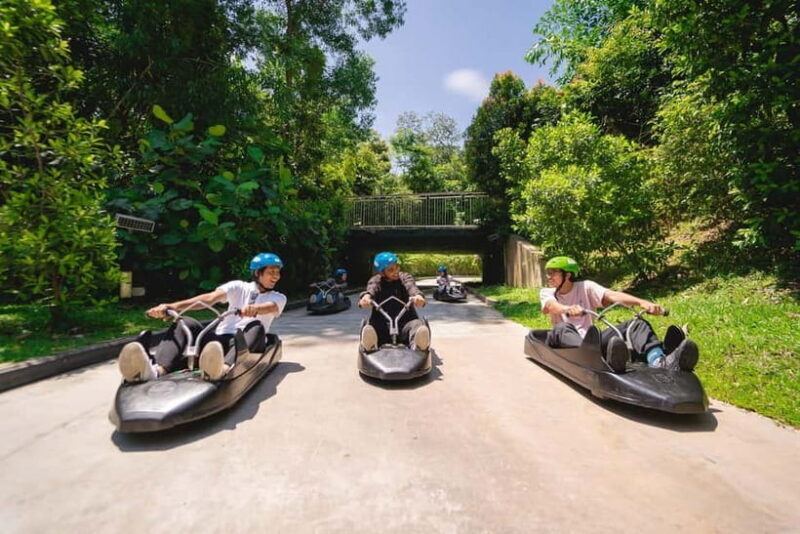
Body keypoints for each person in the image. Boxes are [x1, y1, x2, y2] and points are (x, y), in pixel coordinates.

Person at [118, 252, 287, 382]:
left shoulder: (278, 297)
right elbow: (209, 299)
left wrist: (254, 309)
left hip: (246, 343)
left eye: (278, 272)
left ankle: (222, 370)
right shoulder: (238, 286)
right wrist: (172, 307)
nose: (276, 277)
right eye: (271, 272)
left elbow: (270, 308)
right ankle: (156, 371)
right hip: (220, 340)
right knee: (186, 323)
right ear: (258, 273)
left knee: (256, 326)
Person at [540, 256, 699, 373]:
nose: (549, 276)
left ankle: (659, 360)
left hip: (591, 343)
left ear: (567, 275)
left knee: (636, 324)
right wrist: (566, 309)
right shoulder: (547, 292)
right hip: (563, 342)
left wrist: (642, 302)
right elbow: (551, 307)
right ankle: (603, 359)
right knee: (562, 327)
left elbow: (613, 296)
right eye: (548, 273)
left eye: (553, 273)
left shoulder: (586, 287)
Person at [358, 251, 430, 352]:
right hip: (382, 324)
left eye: (396, 267)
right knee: (371, 326)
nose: (396, 271)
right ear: (382, 272)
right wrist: (366, 297)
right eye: (391, 270)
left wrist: (417, 296)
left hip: (405, 323)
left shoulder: (404, 277)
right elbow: (371, 289)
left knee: (417, 325)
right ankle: (371, 346)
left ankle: (418, 346)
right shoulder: (376, 280)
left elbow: (411, 286)